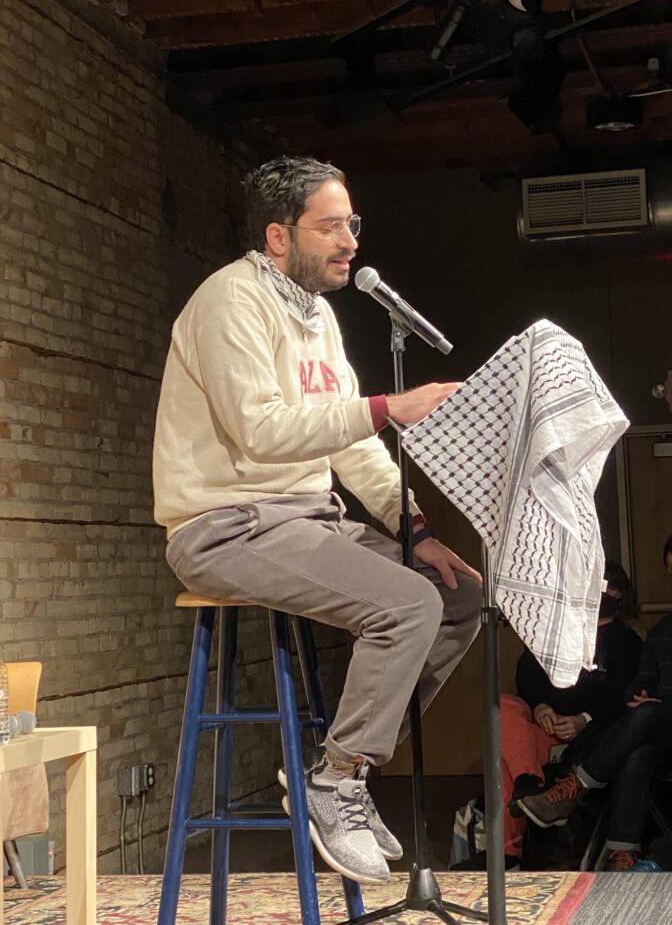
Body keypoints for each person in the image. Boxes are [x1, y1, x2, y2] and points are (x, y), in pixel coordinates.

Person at [153, 156, 483, 885]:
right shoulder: (230, 302)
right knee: (406, 605)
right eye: (330, 226)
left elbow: (353, 444)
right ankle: (338, 784)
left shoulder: (318, 316)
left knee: (459, 594)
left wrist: (415, 529)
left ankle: (334, 765)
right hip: (226, 524)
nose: (350, 241)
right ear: (278, 236)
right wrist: (385, 407)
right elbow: (259, 431)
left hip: (308, 518)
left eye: (353, 224)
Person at [517, 534, 672, 870]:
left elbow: (620, 686)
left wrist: (588, 717)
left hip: (637, 720)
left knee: (644, 723)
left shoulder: (624, 639)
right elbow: (642, 679)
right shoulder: (661, 632)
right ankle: (622, 855)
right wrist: (641, 693)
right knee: (639, 744)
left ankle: (576, 787)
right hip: (659, 730)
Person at [495, 562, 642, 869]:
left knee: (506, 761)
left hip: (590, 732)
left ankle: (512, 853)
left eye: (615, 588)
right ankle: (527, 786)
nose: (609, 593)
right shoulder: (558, 630)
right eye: (603, 587)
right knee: (504, 709)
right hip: (544, 723)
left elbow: (621, 695)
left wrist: (582, 720)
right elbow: (527, 672)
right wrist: (540, 707)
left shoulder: (626, 642)